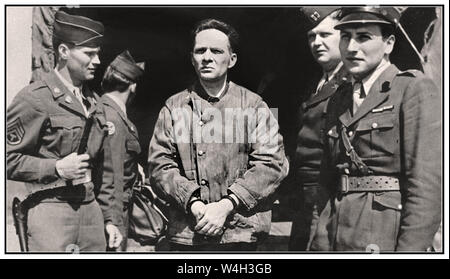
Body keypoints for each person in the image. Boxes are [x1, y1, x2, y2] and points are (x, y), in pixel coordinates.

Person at [148, 18, 289, 251]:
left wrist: (226, 205)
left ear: (231, 59)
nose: (207, 57)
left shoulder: (255, 105)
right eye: (200, 51)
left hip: (240, 232)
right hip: (188, 232)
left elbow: (272, 164)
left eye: (216, 51)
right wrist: (193, 203)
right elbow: (159, 164)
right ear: (192, 59)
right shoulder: (174, 107)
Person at [310, 7, 441, 251]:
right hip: (336, 235)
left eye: (363, 37)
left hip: (384, 237)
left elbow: (426, 189)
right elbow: (326, 184)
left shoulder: (412, 89)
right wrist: (317, 242)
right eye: (346, 37)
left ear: (389, 43)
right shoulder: (339, 99)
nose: (351, 48)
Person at [6, 11, 121, 252]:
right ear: (64, 52)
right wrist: (56, 168)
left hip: (91, 213)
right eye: (89, 54)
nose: (98, 61)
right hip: (50, 209)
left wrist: (110, 219)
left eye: (98, 53)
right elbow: (8, 159)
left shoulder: (96, 103)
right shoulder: (34, 99)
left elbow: (105, 168)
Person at [289, 7, 350, 251]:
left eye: (325, 35)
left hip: (329, 194)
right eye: (312, 36)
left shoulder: (351, 82)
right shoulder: (316, 82)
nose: (317, 42)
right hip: (306, 196)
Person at [96, 50, 145, 251]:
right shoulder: (113, 118)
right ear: (133, 86)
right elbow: (112, 174)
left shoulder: (103, 108)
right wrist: (113, 221)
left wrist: (134, 166)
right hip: (113, 212)